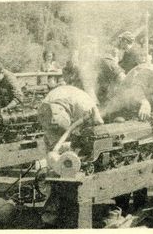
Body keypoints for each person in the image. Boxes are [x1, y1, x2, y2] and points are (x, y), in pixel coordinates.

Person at [36, 85, 103, 226]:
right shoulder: (45, 109)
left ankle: (69, 205)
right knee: (55, 162)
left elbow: (98, 122)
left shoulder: (84, 104)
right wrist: (54, 158)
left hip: (80, 118)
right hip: (62, 116)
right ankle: (55, 205)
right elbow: (51, 146)